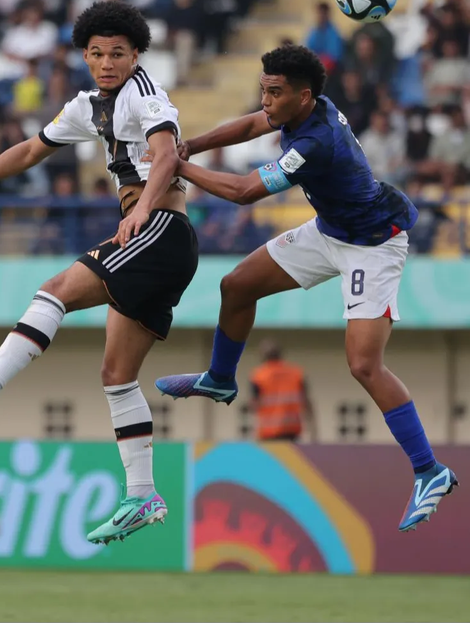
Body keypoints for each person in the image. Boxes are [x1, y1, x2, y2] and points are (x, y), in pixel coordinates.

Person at [156, 44, 457, 532]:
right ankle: (220, 377)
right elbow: (253, 124)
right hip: (330, 230)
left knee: (363, 364)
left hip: (373, 245)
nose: (266, 101)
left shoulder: (314, 143)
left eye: (274, 93)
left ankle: (430, 470)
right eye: (264, 90)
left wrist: (176, 166)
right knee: (236, 286)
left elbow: (245, 192)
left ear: (303, 96)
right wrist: (189, 145)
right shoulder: (306, 104)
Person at [0, 1, 198, 545]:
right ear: (85, 55)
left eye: (118, 54)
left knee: (54, 290)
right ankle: (143, 495)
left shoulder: (146, 95)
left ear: (136, 55)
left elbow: (166, 156)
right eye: (98, 54)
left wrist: (143, 211)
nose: (107, 63)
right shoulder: (87, 105)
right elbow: (33, 149)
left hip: (159, 232)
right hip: (154, 241)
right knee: (116, 376)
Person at [250, 340, 316, 442]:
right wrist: (313, 431)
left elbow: (254, 406)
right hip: (292, 432)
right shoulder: (296, 373)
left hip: (268, 434)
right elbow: (307, 402)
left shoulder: (258, 376)